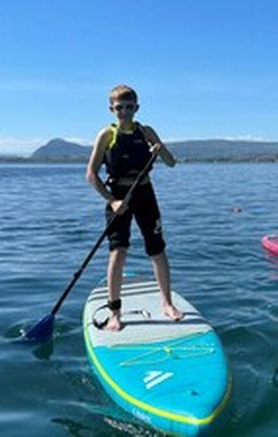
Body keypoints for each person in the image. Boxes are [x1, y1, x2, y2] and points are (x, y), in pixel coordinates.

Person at [86, 84, 182, 331]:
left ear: (137, 108)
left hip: (145, 193)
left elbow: (172, 163)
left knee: (157, 249)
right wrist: (112, 200)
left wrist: (161, 150)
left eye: (129, 107)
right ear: (111, 109)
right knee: (118, 252)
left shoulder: (146, 131)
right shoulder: (107, 135)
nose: (125, 112)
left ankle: (167, 304)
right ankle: (115, 312)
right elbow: (91, 175)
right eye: (119, 108)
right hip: (118, 195)